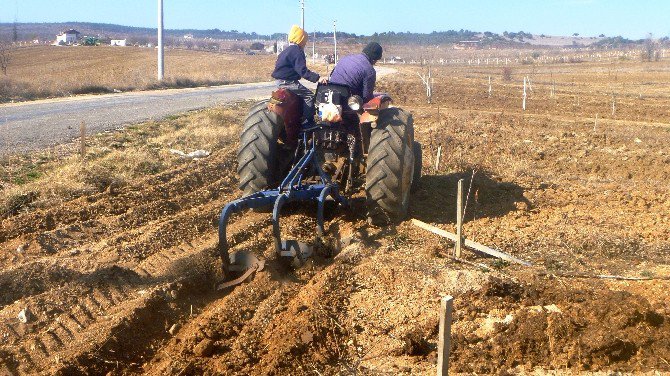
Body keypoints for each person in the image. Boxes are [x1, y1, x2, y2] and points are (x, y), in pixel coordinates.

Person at [271, 25, 326, 126]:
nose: (305, 43)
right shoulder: (297, 51)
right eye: (305, 40)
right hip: (288, 82)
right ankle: (307, 121)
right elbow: (302, 71)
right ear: (301, 40)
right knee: (309, 96)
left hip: (279, 81)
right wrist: (318, 78)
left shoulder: (286, 50)